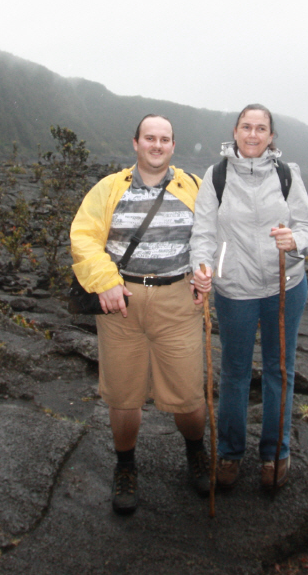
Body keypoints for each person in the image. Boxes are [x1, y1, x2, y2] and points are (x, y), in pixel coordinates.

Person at [69, 114, 207, 515]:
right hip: (121, 301)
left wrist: (205, 273)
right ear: (136, 143)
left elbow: (211, 237)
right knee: (123, 395)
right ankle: (125, 466)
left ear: (173, 146)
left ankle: (196, 452)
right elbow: (84, 236)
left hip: (178, 301)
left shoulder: (194, 187)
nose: (157, 145)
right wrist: (105, 281)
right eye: (150, 138)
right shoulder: (109, 188)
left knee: (188, 394)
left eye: (164, 139)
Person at [190, 104, 308, 490]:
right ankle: (230, 453)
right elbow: (203, 232)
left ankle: (275, 452)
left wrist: (295, 240)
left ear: (271, 136)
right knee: (234, 373)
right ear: (235, 131)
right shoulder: (216, 176)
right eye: (246, 127)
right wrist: (202, 267)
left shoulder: (286, 175)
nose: (252, 134)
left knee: (280, 370)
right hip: (235, 290)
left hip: (285, 285)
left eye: (261, 128)